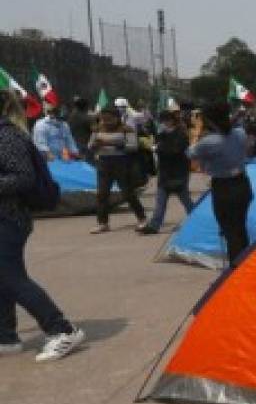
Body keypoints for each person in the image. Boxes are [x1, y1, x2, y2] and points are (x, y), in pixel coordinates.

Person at [0, 90, 87, 362]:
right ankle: (6, 337)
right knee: (4, 278)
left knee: (10, 278)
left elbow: (22, 177)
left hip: (8, 218)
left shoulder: (6, 136)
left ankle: (61, 329)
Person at [189, 101, 252, 265]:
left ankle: (236, 268)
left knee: (229, 231)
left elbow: (190, 153)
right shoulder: (240, 133)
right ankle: (246, 263)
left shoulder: (209, 142)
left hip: (223, 187)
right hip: (242, 183)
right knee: (240, 227)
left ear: (208, 120)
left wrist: (196, 131)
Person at [88, 106, 147, 234]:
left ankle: (142, 218)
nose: (106, 122)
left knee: (127, 193)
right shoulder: (97, 129)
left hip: (121, 163)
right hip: (103, 163)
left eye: (109, 119)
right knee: (102, 194)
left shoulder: (127, 129)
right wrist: (95, 145)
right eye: (103, 119)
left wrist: (113, 144)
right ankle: (102, 223)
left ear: (117, 118)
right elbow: (90, 145)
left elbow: (133, 147)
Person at [138, 103, 194, 235]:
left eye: (165, 121)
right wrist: (157, 147)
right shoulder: (161, 134)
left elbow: (176, 150)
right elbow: (159, 148)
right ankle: (154, 225)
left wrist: (159, 148)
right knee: (160, 201)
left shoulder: (181, 133)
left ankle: (196, 219)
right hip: (164, 172)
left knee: (186, 200)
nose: (163, 123)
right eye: (161, 121)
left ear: (172, 121)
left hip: (178, 171)